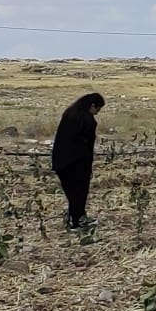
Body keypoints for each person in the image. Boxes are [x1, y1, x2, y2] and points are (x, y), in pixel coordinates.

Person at [50, 92, 104, 229]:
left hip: (60, 160)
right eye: (98, 109)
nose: (97, 113)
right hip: (78, 161)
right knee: (79, 192)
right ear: (92, 105)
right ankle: (78, 221)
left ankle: (74, 218)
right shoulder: (88, 120)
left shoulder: (70, 113)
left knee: (71, 192)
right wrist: (88, 166)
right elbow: (87, 145)